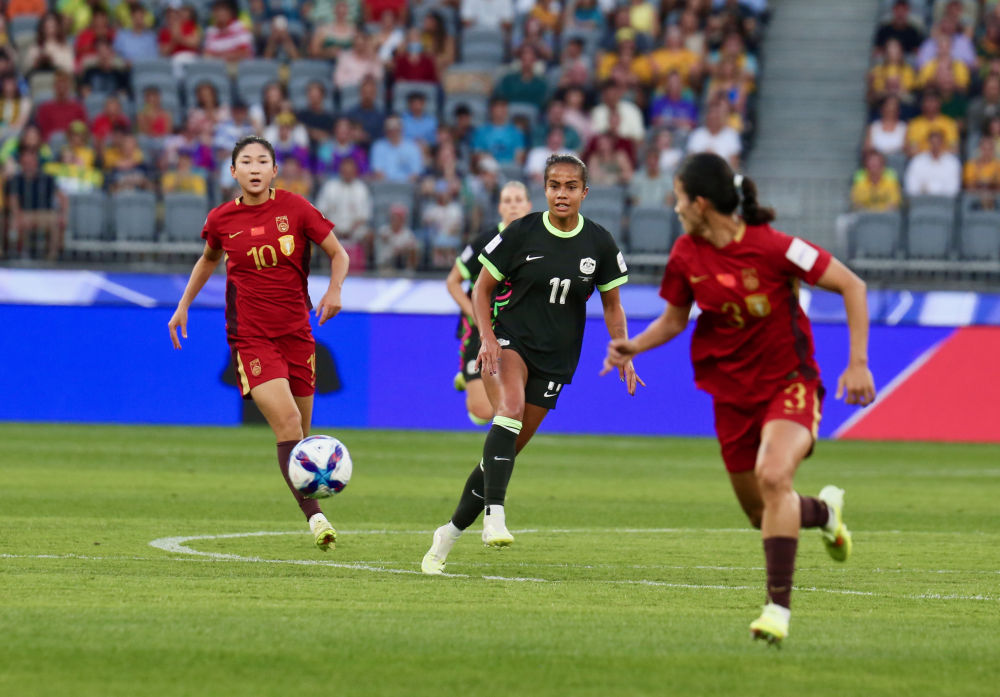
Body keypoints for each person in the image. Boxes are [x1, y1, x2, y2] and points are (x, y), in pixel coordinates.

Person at [601, 153, 876, 645]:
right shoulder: (686, 254)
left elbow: (852, 285)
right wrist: (633, 346)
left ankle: (777, 610)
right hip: (731, 396)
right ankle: (825, 513)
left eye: (679, 198)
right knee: (760, 512)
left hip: (789, 382)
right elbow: (675, 318)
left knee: (774, 477)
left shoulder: (776, 247)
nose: (675, 207)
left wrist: (858, 363)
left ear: (701, 203)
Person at [421, 154, 641, 575]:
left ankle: (448, 534)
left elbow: (613, 305)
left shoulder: (599, 243)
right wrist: (486, 337)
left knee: (503, 453)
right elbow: (481, 289)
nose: (562, 193)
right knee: (510, 409)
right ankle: (495, 516)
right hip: (509, 342)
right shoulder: (522, 232)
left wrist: (623, 349)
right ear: (545, 189)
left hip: (556, 358)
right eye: (555, 185)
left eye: (571, 186)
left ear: (584, 192)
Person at [167, 136, 350, 551]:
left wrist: (335, 289)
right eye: (246, 162)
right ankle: (316, 518)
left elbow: (339, 254)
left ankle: (313, 496)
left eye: (262, 161)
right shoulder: (221, 219)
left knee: (301, 436)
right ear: (233, 172)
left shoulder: (296, 209)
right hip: (251, 338)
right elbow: (209, 259)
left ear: (274, 170)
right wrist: (183, 305)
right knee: (287, 423)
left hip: (297, 336)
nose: (254, 168)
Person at [445, 180, 533, 425]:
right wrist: (475, 315)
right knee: (483, 412)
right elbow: (453, 281)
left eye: (518, 200)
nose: (513, 206)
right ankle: (467, 379)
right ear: (500, 207)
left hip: (517, 328)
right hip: (481, 328)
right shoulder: (484, 241)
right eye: (507, 201)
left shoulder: (538, 242)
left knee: (513, 404)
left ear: (528, 205)